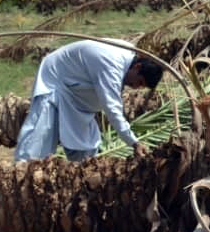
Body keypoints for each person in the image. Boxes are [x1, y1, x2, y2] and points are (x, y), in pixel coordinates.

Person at [14, 38, 163, 162]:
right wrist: (134, 142)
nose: (136, 87)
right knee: (39, 139)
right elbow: (112, 109)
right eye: (139, 82)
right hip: (55, 80)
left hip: (75, 95)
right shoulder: (112, 66)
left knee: (86, 149)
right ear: (137, 66)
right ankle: (20, 178)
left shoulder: (128, 55)